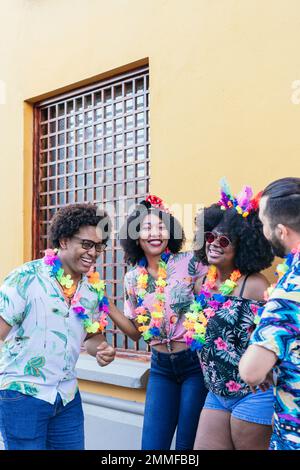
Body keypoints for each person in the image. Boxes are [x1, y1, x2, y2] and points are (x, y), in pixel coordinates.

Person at [0, 203, 115, 450]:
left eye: (98, 247)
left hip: (67, 397)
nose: (93, 253)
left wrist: (102, 349)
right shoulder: (26, 278)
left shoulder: (93, 289)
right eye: (86, 244)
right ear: (63, 241)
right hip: (22, 395)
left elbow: (93, 336)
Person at [108, 195, 208, 450]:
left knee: (187, 446)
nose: (155, 233)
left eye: (161, 227)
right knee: (152, 446)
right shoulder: (132, 279)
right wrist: (106, 305)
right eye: (147, 228)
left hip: (193, 366)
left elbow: (209, 304)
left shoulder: (191, 263)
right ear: (136, 237)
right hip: (161, 368)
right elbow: (135, 334)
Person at [190, 179, 275, 450]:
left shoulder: (254, 285)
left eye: (224, 240)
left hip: (251, 394)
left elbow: (274, 336)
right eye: (211, 236)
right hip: (216, 392)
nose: (214, 244)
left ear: (243, 246)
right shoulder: (203, 283)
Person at [239, 177, 300, 450]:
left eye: (263, 224)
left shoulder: (291, 288)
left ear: (282, 231)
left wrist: (264, 359)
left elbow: (251, 371)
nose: (263, 232)